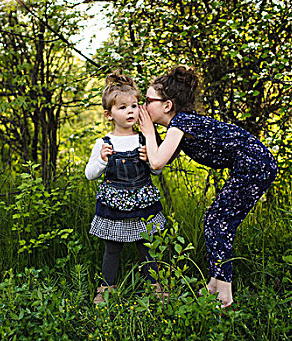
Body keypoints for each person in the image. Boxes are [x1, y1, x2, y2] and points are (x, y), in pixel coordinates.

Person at [138, 66, 277, 308]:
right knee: (218, 220)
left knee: (217, 220)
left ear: (167, 105)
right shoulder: (181, 126)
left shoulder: (181, 122)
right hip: (255, 163)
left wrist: (149, 133)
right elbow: (157, 163)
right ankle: (215, 284)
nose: (143, 106)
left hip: (254, 163)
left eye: (148, 100)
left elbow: (158, 160)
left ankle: (224, 294)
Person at [85, 70, 166, 304]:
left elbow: (158, 170)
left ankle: (155, 286)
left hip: (143, 204)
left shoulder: (145, 138)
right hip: (114, 206)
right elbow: (90, 175)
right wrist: (101, 159)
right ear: (108, 114)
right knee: (112, 248)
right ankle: (106, 287)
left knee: (148, 247)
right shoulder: (103, 143)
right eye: (122, 107)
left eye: (134, 105)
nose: (130, 111)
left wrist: (148, 160)